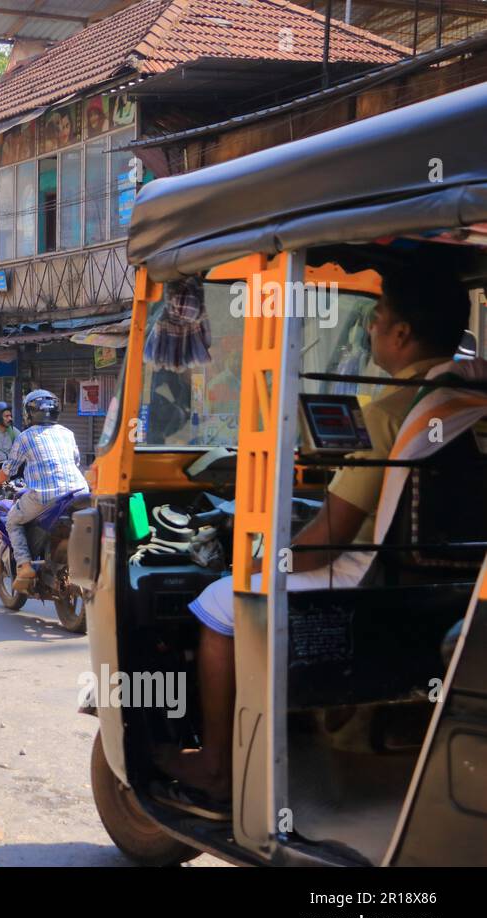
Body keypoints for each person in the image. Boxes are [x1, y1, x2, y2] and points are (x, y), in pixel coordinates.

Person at [161, 264, 475, 815]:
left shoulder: (388, 414)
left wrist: (259, 557)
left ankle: (213, 767)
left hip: (376, 583)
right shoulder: (471, 403)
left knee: (217, 603)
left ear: (401, 334)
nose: (370, 331)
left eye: (375, 320)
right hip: (459, 585)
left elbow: (328, 541)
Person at [0, 389, 89, 591]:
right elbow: (75, 462)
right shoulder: (68, 433)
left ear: (29, 414)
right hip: (79, 493)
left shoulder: (25, 437)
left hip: (45, 495)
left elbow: (9, 469)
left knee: (13, 520)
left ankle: (24, 566)